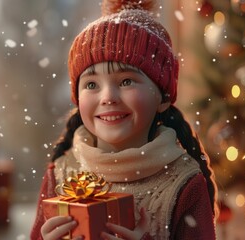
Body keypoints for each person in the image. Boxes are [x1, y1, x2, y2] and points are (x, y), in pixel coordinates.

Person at [31, 0, 218, 239]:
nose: (108, 97)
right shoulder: (59, 174)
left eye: (126, 81)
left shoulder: (185, 183)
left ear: (163, 97)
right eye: (91, 84)